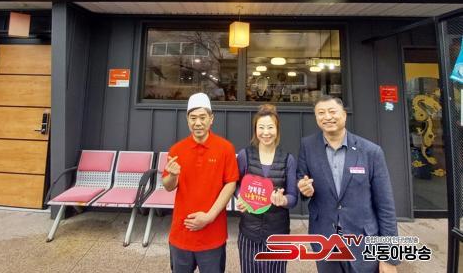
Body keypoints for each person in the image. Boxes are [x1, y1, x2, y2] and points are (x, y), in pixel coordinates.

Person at [297, 95, 399, 273]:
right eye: (321, 113)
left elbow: (386, 206)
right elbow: (301, 179)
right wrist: (304, 189)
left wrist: (389, 256)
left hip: (363, 242)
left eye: (332, 111)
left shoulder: (371, 151)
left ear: (344, 115)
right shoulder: (308, 146)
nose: (327, 117)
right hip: (325, 240)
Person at [162, 92, 239, 273]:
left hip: (213, 233)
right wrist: (172, 175)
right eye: (193, 118)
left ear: (211, 119)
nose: (198, 123)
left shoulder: (225, 148)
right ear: (187, 120)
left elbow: (230, 184)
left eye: (203, 117)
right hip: (182, 232)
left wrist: (210, 216)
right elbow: (168, 186)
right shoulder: (177, 149)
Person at [236, 104, 297, 273]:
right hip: (249, 231)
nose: (266, 132)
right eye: (261, 127)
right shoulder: (245, 155)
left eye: (270, 127)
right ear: (255, 130)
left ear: (277, 129)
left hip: (278, 233)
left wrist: (283, 200)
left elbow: (293, 197)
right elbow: (235, 184)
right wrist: (240, 196)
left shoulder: (288, 159)